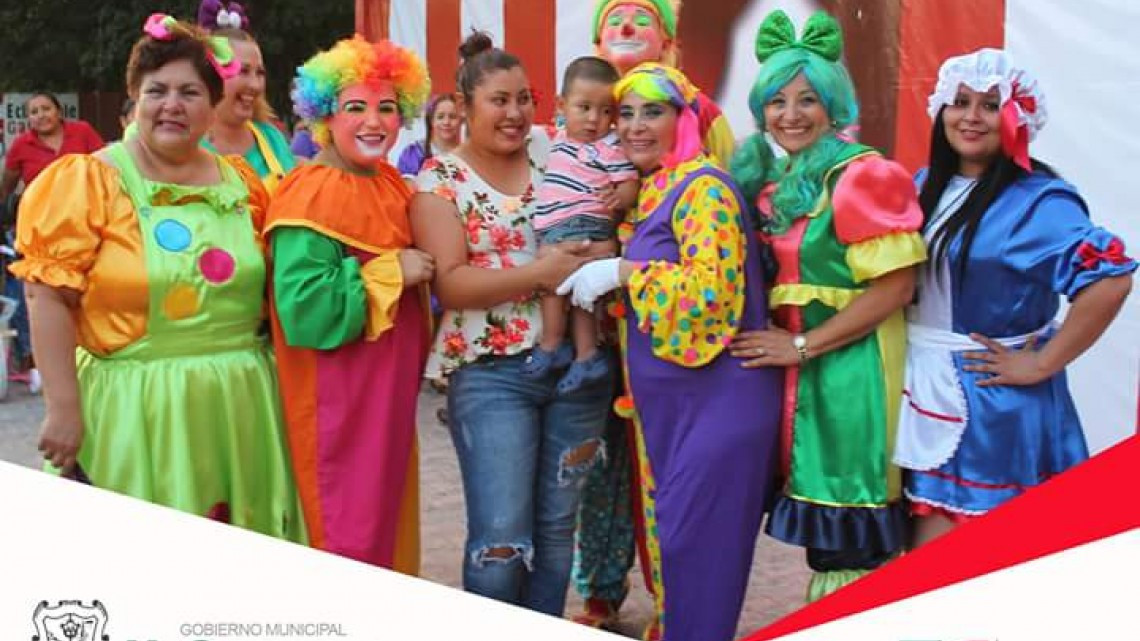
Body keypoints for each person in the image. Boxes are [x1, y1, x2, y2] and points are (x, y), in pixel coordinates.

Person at [9, 14, 305, 542]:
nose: (173, 104)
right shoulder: (88, 180)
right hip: (133, 407)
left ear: (213, 105)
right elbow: (46, 294)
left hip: (242, 405)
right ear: (135, 98)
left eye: (190, 92)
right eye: (157, 90)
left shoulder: (243, 183)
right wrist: (63, 408)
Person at [557, 62, 782, 641]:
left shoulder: (704, 188)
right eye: (625, 113)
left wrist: (626, 271)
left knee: (698, 564)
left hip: (718, 408)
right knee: (680, 561)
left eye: (652, 112)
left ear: (685, 120)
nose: (634, 126)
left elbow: (710, 297)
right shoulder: (659, 185)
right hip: (679, 410)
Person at [409, 31, 613, 616]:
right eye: (500, 100)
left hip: (578, 368)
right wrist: (544, 271)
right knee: (500, 545)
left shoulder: (561, 156)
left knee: (555, 538)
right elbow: (450, 282)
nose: (516, 112)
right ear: (466, 103)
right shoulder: (439, 181)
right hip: (491, 374)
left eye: (525, 99)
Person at [897, 48, 1136, 546]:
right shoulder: (923, 186)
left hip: (990, 408)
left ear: (1015, 117)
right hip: (917, 389)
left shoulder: (1038, 201)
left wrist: (1041, 363)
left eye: (989, 104)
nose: (971, 117)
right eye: (960, 102)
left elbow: (1111, 278)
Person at [727, 10, 926, 601]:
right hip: (803, 379)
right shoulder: (773, 177)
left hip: (854, 377)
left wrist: (800, 345)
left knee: (854, 539)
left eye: (808, 99)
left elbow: (895, 289)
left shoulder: (862, 176)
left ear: (833, 106)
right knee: (827, 543)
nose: (791, 115)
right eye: (778, 100)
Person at [266, 36, 432, 572]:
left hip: (388, 393)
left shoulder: (391, 183)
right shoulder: (308, 190)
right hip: (338, 401)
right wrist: (391, 272)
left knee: (386, 526)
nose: (373, 121)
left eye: (387, 107)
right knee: (347, 535)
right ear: (324, 118)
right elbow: (303, 308)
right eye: (355, 107)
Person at [525, 56, 638, 394]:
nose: (594, 119)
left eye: (606, 111)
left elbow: (628, 181)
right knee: (578, 294)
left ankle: (550, 345)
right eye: (584, 108)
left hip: (580, 223)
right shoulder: (557, 137)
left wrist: (622, 197)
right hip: (559, 224)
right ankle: (586, 355)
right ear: (562, 106)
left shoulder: (609, 146)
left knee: (551, 282)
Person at [1, 93, 105, 388]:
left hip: (89, 225)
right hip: (42, 235)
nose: (41, 115)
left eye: (46, 108)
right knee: (40, 296)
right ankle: (37, 362)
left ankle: (91, 350)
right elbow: (6, 187)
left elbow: (108, 168)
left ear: (59, 112)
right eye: (33, 111)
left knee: (90, 291)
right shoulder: (22, 145)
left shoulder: (82, 132)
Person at [197, 0, 295, 191]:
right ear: (212, 74)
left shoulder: (272, 138)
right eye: (243, 71)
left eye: (260, 73)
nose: (255, 85)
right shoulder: (188, 144)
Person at [396, 93, 463, 180]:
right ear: (431, 121)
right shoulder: (415, 154)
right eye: (440, 117)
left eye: (452, 117)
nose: (446, 122)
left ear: (461, 121)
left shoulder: (470, 156)